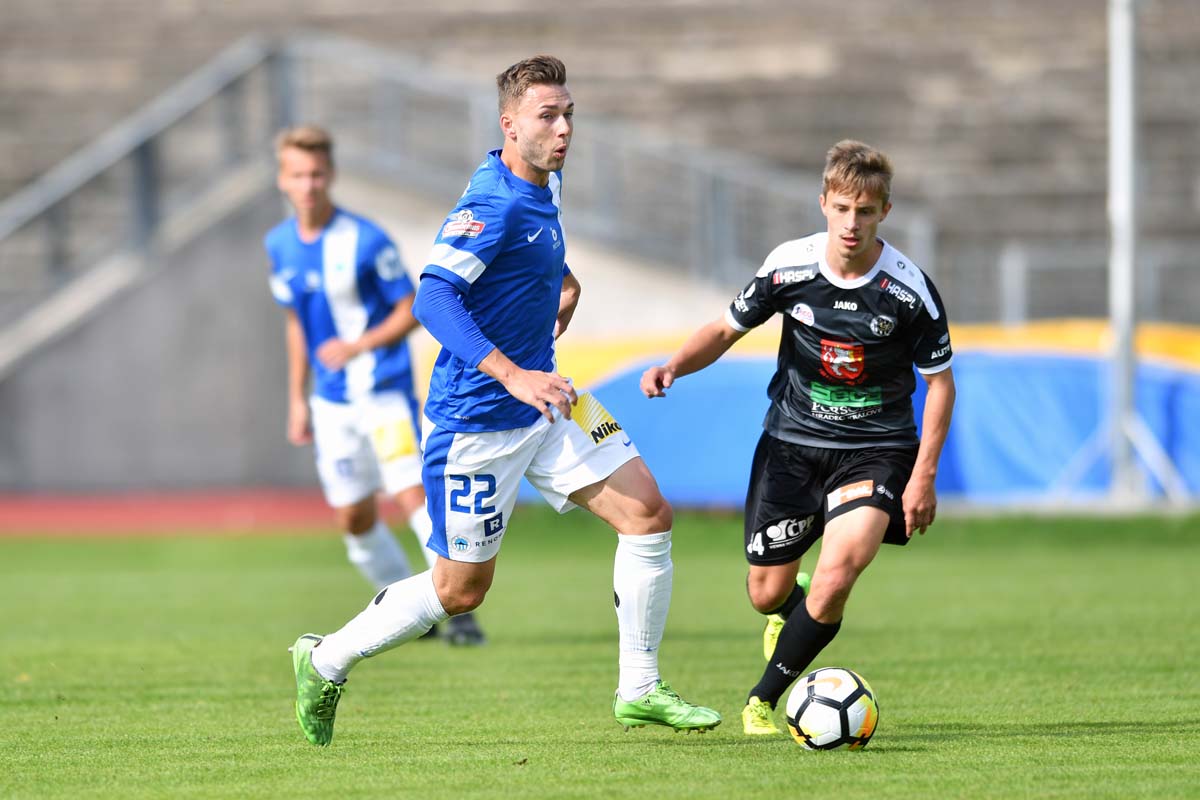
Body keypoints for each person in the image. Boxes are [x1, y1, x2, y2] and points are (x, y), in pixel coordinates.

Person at [287, 56, 720, 747]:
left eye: (569, 114)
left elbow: (530, 254)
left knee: (647, 514)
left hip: (549, 404)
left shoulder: (543, 185)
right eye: (548, 116)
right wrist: (512, 373)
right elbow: (434, 297)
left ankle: (639, 689)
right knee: (459, 591)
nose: (564, 128)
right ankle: (327, 659)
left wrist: (565, 283)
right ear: (509, 125)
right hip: (477, 424)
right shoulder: (492, 204)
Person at [640, 139, 956, 736]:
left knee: (837, 576)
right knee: (765, 593)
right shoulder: (789, 267)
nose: (852, 224)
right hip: (791, 444)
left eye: (866, 211)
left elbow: (940, 385)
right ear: (824, 204)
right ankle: (789, 607)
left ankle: (762, 701)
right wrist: (674, 365)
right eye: (842, 209)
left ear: (885, 212)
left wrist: (923, 476)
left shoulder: (909, 292)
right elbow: (725, 329)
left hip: (876, 449)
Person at [265, 125, 485, 646]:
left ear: (331, 175)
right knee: (353, 516)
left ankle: (456, 609)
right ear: (282, 180)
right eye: (299, 175)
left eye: (317, 174)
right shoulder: (278, 245)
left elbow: (412, 307)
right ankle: (407, 611)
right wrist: (296, 398)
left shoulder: (365, 239)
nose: (309, 185)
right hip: (331, 404)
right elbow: (296, 324)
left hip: (383, 394)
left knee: (411, 493)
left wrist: (359, 345)